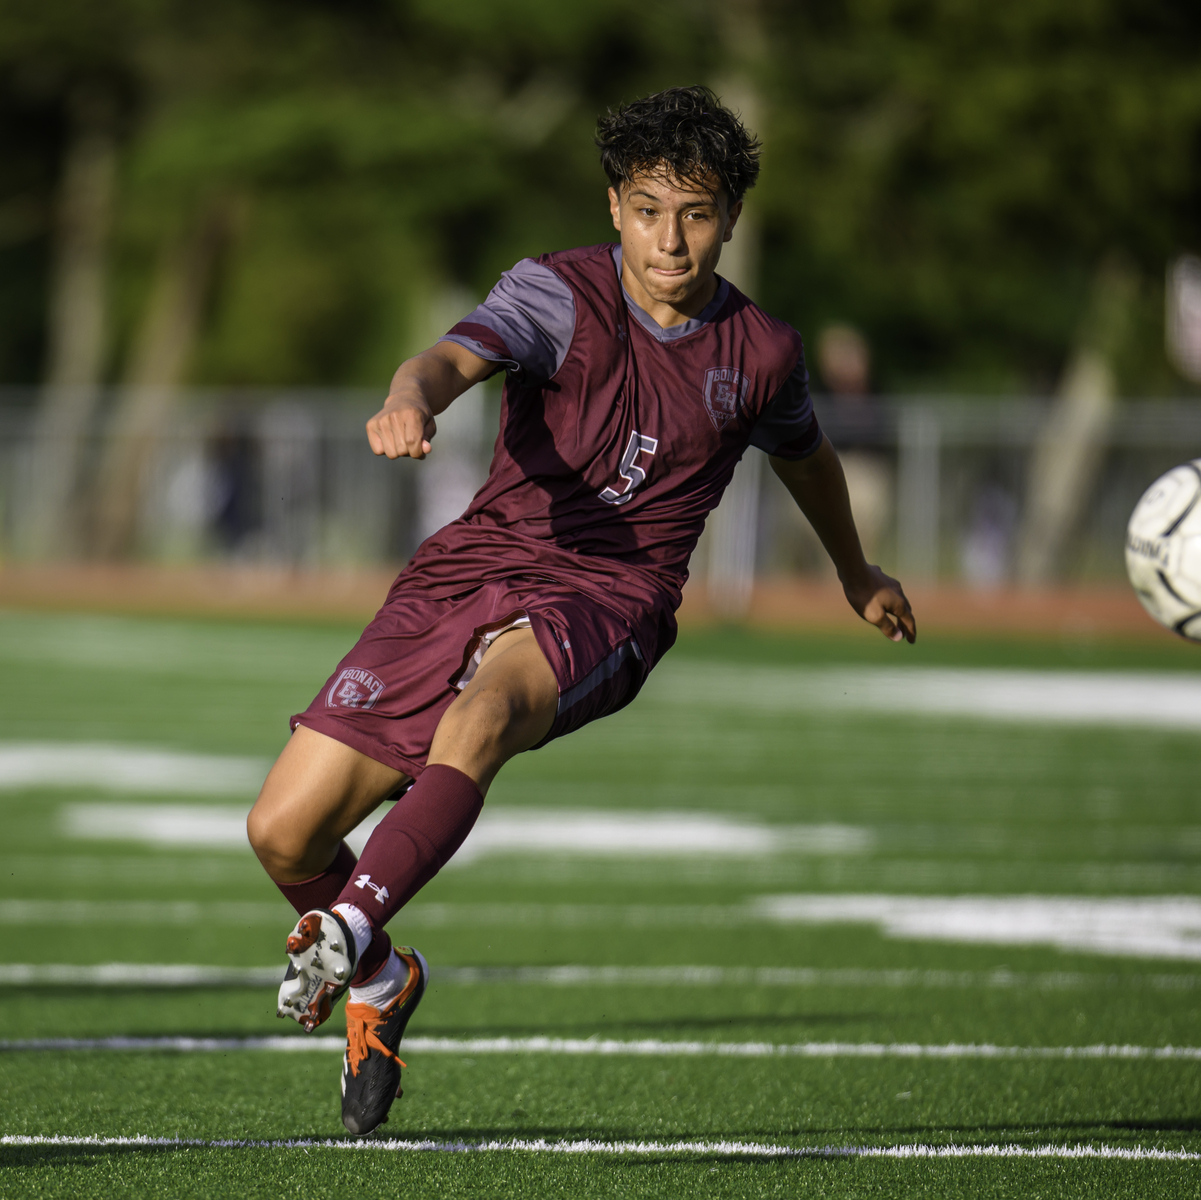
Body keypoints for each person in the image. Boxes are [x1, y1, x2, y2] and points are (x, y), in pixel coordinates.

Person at [244, 85, 916, 1138]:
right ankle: (378, 979)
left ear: (731, 217)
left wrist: (855, 569)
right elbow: (448, 360)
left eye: (696, 214)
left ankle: (355, 921)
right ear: (615, 208)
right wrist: (411, 397)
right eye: (649, 210)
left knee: (485, 714)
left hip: (615, 595)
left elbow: (809, 459)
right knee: (282, 831)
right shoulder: (554, 295)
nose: (671, 239)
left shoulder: (762, 353)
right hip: (468, 569)